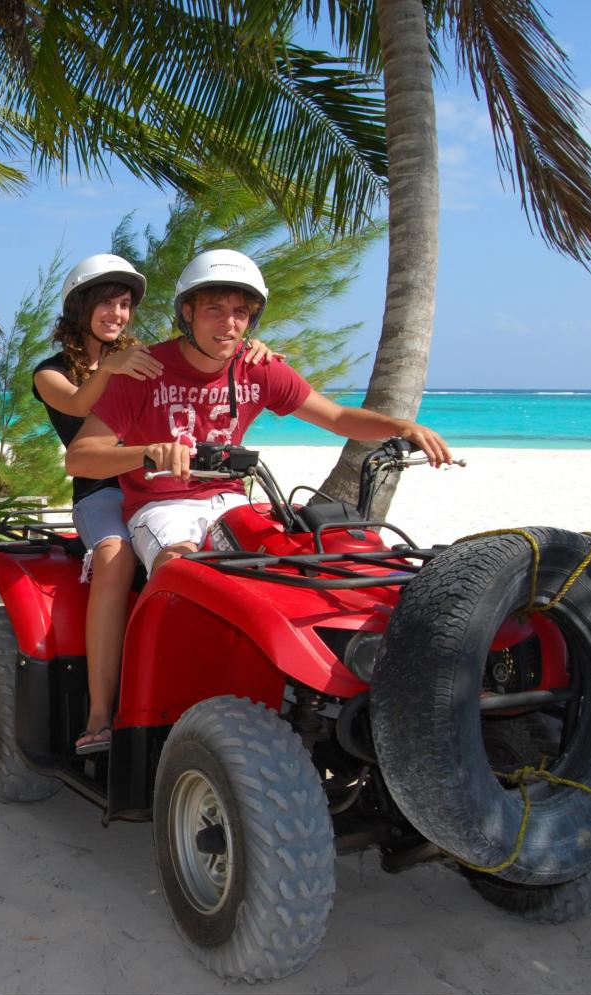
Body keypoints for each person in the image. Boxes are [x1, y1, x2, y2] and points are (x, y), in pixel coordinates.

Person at [67, 248, 453, 581]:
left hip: (233, 501)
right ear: (188, 311)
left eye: (240, 313)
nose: (228, 324)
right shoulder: (144, 370)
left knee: (295, 561)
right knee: (179, 568)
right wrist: (151, 452)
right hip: (162, 506)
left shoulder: (256, 367)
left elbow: (335, 418)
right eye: (214, 310)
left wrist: (402, 427)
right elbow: (80, 457)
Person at [33, 254, 278, 755]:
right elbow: (80, 409)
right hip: (101, 489)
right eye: (104, 303)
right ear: (78, 308)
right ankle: (101, 711)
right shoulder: (50, 372)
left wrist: (247, 347)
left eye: (124, 305)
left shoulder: (140, 355)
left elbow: (192, 366)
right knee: (113, 557)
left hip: (162, 486)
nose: (116, 314)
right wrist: (112, 369)